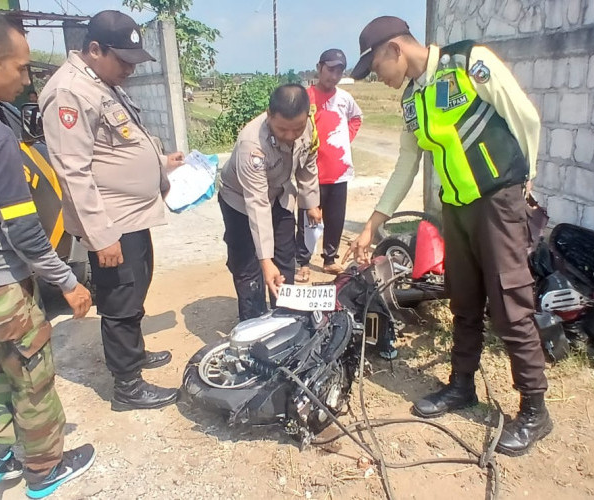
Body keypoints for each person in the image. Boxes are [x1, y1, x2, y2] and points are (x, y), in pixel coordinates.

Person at [348, 16, 551, 457]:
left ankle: (535, 410)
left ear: (395, 51)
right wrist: (372, 223)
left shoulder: (468, 62)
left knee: (509, 305)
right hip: (456, 208)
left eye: (377, 67)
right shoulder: (411, 100)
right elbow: (406, 165)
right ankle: (461, 386)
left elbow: (525, 117)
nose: (378, 79)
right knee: (462, 299)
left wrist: (525, 179)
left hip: (498, 200)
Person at [0, 12, 95, 498]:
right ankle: (44, 470)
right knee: (34, 376)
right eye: (20, 69)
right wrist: (67, 280)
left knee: (6, 363)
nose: (25, 81)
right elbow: (24, 230)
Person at [39, 10, 184, 412]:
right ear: (94, 49)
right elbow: (73, 170)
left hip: (132, 218)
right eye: (122, 60)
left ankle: (132, 356)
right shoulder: (69, 92)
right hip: (111, 222)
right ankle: (128, 387)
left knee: (135, 288)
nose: (129, 69)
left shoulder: (99, 83)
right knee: (120, 300)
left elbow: (119, 142)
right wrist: (101, 237)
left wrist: (159, 163)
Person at [219, 83, 321, 321]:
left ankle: (285, 317)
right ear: (269, 115)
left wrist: (311, 203)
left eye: (296, 128)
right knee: (249, 266)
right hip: (240, 202)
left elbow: (308, 166)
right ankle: (253, 323)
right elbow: (257, 204)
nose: (290, 136)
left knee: (285, 256)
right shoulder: (251, 145)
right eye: (282, 129)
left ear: (306, 116)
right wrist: (265, 260)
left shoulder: (308, 127)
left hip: (281, 193)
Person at [294, 49, 362, 283]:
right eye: (330, 69)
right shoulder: (305, 97)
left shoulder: (344, 98)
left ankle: (329, 259)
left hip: (339, 172)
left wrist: (343, 141)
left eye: (339, 71)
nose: (334, 75)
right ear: (319, 67)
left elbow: (356, 118)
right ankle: (302, 262)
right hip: (312, 173)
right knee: (308, 220)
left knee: (335, 218)